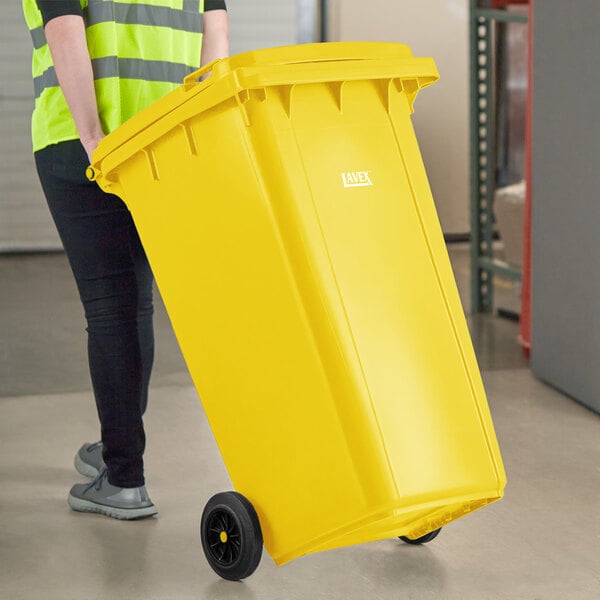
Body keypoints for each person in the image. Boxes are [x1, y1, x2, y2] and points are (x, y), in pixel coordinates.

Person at [22, 0, 229, 519]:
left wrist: (93, 136)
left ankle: (124, 476)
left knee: (112, 307)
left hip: (86, 142)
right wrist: (200, 130)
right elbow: (216, 35)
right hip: (169, 138)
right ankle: (120, 443)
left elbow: (65, 29)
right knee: (135, 302)